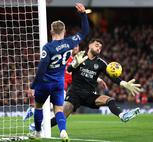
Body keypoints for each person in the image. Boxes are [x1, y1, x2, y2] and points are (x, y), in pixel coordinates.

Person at [29, 3, 89, 141]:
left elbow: (41, 69)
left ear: (51, 31)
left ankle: (38, 133)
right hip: (58, 83)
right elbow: (85, 31)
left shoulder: (48, 48)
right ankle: (63, 131)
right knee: (58, 110)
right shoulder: (70, 43)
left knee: (38, 107)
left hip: (45, 83)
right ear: (64, 31)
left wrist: (33, 86)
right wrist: (83, 13)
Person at [48, 38, 141, 127]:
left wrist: (124, 83)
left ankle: (122, 115)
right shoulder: (80, 55)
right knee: (61, 117)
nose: (98, 48)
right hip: (74, 94)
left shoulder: (101, 63)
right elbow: (69, 69)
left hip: (89, 95)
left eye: (100, 47)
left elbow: (112, 77)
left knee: (109, 100)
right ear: (89, 45)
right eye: (97, 45)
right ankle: (37, 126)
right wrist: (75, 64)